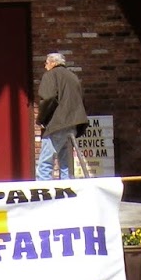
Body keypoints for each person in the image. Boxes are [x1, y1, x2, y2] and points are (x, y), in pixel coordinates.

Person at [35, 51, 87, 182]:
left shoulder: (50, 75)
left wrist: (41, 119)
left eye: (46, 63)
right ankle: (67, 196)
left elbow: (48, 98)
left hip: (57, 125)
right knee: (66, 166)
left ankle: (43, 198)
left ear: (52, 63)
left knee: (45, 164)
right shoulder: (73, 77)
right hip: (73, 124)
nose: (45, 66)